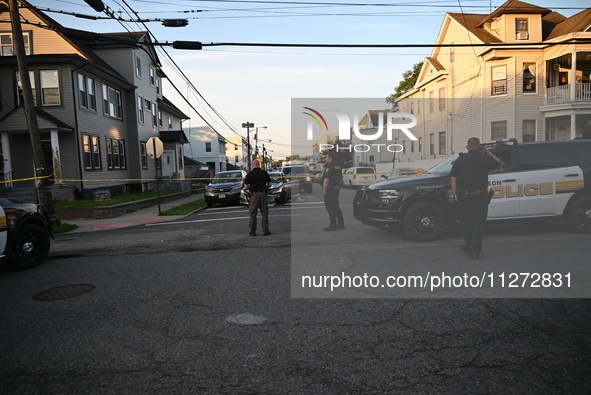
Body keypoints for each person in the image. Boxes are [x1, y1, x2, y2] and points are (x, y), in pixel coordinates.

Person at [450, 137, 502, 259]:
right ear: (479, 147)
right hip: (479, 197)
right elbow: (499, 162)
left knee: (466, 223)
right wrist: (487, 152)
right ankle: (475, 251)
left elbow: (453, 179)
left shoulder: (460, 160)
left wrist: (456, 194)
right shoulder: (485, 159)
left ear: (467, 147)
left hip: (463, 196)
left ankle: (468, 245)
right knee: (478, 223)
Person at [244, 159, 272, 236]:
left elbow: (246, 187)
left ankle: (253, 231)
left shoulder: (250, 174)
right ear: (259, 165)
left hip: (254, 195)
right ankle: (266, 231)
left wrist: (250, 188)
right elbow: (270, 184)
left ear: (253, 165)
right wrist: (265, 187)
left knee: (253, 213)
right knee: (264, 212)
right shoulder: (264, 173)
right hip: (263, 194)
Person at [321, 151, 344, 231]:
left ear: (330, 158)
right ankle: (341, 223)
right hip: (336, 189)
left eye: (326, 157)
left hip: (330, 190)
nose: (325, 158)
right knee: (336, 206)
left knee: (330, 207)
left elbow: (326, 180)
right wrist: (337, 187)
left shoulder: (329, 167)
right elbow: (340, 179)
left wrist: (324, 190)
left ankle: (332, 225)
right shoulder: (338, 166)